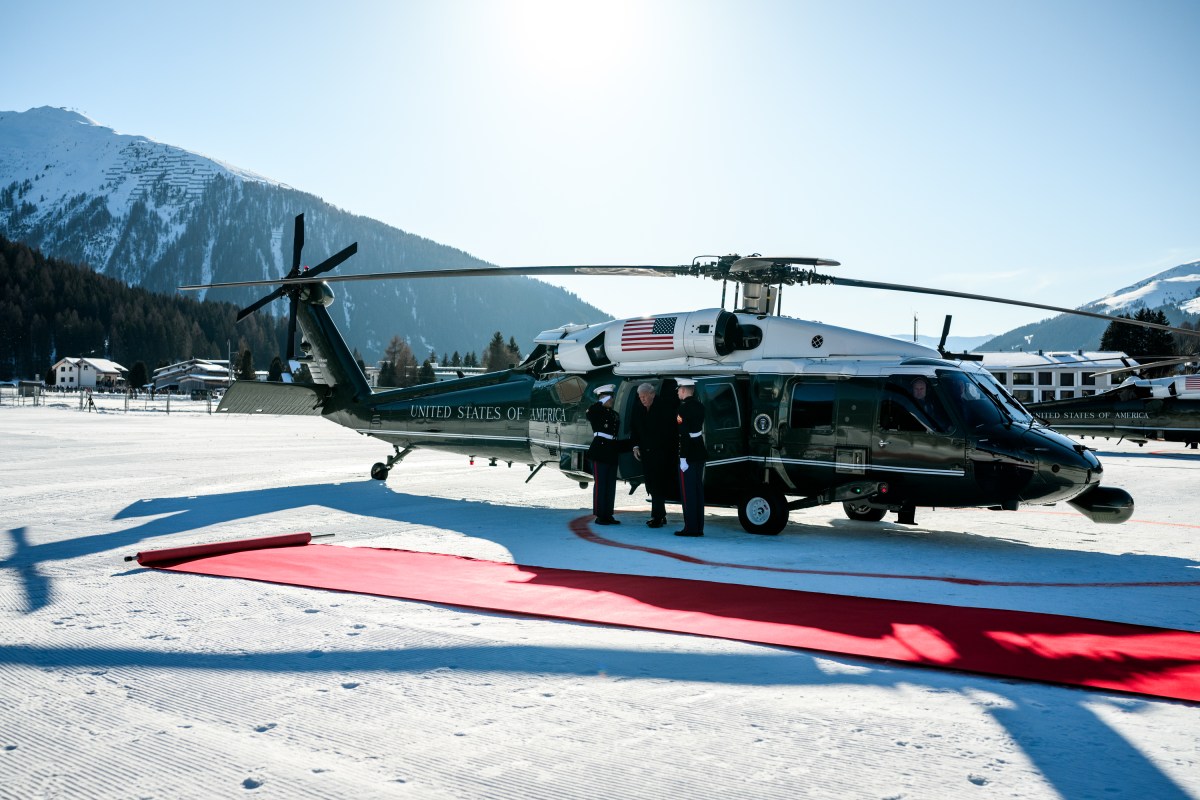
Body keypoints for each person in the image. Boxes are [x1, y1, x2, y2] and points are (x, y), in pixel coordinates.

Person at [630, 380, 678, 528]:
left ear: (652, 394)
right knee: (651, 484)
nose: (642, 399)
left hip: (661, 452)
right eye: (640, 396)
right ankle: (660, 514)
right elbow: (634, 427)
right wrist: (635, 446)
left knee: (658, 484)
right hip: (646, 452)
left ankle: (657, 517)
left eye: (644, 396)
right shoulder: (638, 407)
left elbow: (670, 431)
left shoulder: (663, 406)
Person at [674, 378, 708, 537]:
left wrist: (682, 458)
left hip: (688, 454)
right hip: (699, 451)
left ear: (683, 390)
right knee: (697, 491)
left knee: (688, 493)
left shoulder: (683, 409)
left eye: (679, 390)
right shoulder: (700, 406)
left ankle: (690, 527)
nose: (678, 393)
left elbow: (684, 435)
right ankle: (698, 527)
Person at [586, 383, 623, 525]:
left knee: (610, 485)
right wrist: (600, 401)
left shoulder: (614, 415)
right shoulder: (596, 411)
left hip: (611, 451)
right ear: (603, 398)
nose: (612, 400)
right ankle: (600, 515)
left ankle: (608, 514)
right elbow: (590, 413)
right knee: (601, 484)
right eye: (609, 398)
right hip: (600, 451)